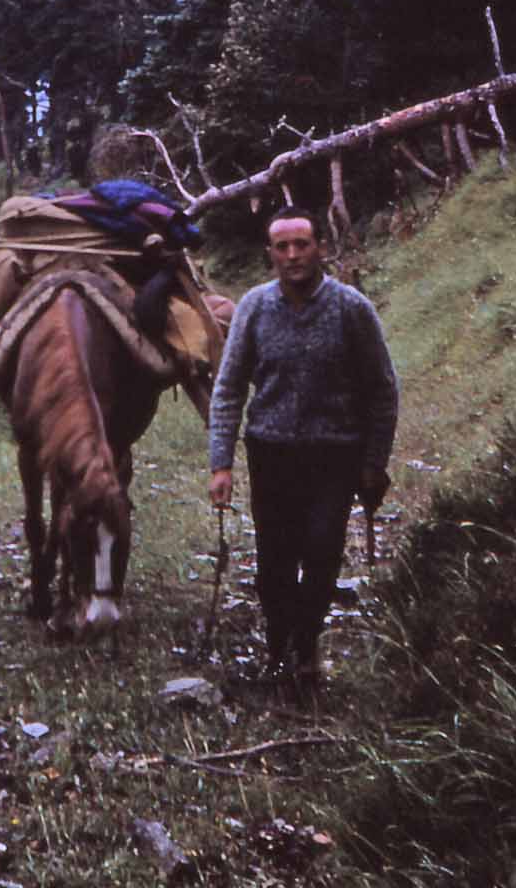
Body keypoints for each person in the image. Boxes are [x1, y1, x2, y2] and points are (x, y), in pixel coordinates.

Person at [207, 207, 399, 692]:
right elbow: (229, 388)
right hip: (270, 452)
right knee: (274, 558)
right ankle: (278, 643)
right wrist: (221, 463)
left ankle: (308, 641)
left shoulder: (351, 308)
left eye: (302, 244)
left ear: (320, 248)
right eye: (282, 247)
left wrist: (375, 462)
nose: (293, 255)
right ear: (270, 254)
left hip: (334, 454)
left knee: (320, 550)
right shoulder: (253, 306)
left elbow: (382, 389)